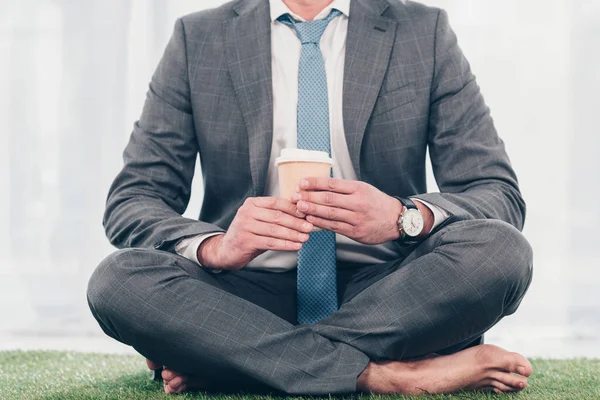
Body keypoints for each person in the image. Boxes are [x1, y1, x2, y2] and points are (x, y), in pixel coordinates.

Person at [87, 0, 534, 395]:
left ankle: (234, 363)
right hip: (244, 293)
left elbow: (496, 193)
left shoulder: (424, 31)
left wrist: (403, 217)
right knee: (118, 281)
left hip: (391, 291)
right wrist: (217, 247)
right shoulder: (198, 37)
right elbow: (134, 199)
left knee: (501, 252)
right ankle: (389, 376)